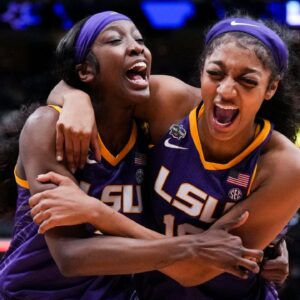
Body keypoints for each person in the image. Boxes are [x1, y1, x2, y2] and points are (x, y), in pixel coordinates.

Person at [0, 11, 266, 300]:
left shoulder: (150, 133)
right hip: (33, 293)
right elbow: (69, 256)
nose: (137, 46)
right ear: (85, 71)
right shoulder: (48, 126)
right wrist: (195, 247)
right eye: (115, 40)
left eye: (139, 39)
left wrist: (271, 243)